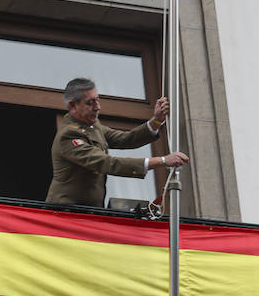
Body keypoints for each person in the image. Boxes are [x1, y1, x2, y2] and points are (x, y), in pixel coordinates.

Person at [46, 76, 190, 208]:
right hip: (64, 212)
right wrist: (163, 160)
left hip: (88, 211)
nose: (98, 107)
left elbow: (125, 139)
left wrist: (157, 120)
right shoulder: (68, 135)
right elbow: (107, 163)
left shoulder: (92, 125)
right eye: (90, 103)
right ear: (72, 106)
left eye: (97, 100)